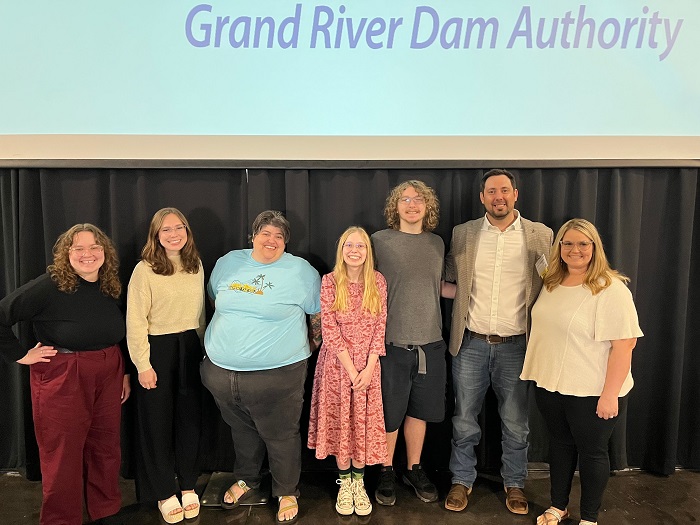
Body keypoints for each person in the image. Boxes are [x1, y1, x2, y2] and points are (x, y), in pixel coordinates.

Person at [0, 224, 131, 525]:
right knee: (62, 453)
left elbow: (114, 332)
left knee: (106, 446)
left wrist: (123, 372)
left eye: (95, 247)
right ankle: (61, 519)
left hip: (110, 368)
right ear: (66, 254)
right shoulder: (49, 285)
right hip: (64, 374)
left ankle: (105, 511)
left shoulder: (110, 284)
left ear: (105, 252)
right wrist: (21, 355)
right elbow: (2, 314)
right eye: (79, 248)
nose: (88, 254)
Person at [200, 210, 321, 525]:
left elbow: (317, 315)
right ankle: (247, 479)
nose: (272, 240)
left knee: (280, 435)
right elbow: (215, 301)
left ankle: (286, 491)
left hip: (279, 375)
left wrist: (311, 344)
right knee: (241, 430)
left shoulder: (300, 271)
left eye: (279, 236)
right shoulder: (228, 262)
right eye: (266, 233)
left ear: (286, 243)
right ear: (252, 236)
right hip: (221, 373)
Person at [443, 169, 553, 515]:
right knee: (463, 420)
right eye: (492, 191)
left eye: (505, 190)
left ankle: (515, 484)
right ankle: (461, 481)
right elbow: (448, 281)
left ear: (515, 194)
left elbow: (553, 284)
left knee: (516, 422)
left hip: (517, 346)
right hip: (470, 343)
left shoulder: (541, 235)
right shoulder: (463, 234)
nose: (498, 197)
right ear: (482, 197)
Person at [521, 218, 643, 525]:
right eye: (568, 243)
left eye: (583, 243)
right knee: (560, 447)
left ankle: (589, 517)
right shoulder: (551, 281)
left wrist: (610, 395)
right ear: (559, 247)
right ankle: (558, 506)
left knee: (592, 454)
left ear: (594, 247)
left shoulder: (610, 289)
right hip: (552, 386)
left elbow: (625, 344)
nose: (575, 250)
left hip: (592, 391)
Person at [126, 208, 205, 523]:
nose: (174, 234)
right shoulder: (144, 270)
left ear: (187, 230)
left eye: (179, 227)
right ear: (156, 236)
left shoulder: (195, 264)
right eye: (166, 230)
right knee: (157, 425)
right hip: (156, 350)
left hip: (191, 347)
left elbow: (200, 314)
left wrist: (204, 350)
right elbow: (135, 322)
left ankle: (187, 485)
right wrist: (142, 364)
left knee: (190, 423)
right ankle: (163, 491)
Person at [370, 180, 447, 505]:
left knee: (419, 412)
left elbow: (436, 286)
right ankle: (386, 469)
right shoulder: (379, 242)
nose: (412, 204)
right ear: (395, 206)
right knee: (390, 413)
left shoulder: (438, 243)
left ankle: (413, 468)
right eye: (405, 199)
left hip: (431, 345)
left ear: (427, 207)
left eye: (419, 199)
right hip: (391, 346)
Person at [308, 226, 388, 516]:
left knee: (362, 425)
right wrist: (351, 370)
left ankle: (360, 483)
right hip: (338, 367)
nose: (355, 251)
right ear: (341, 251)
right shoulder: (330, 282)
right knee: (341, 423)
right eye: (349, 246)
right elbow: (329, 330)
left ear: (368, 252)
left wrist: (369, 367)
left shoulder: (378, 282)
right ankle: (345, 483)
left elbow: (381, 327)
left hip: (368, 367)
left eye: (361, 246)